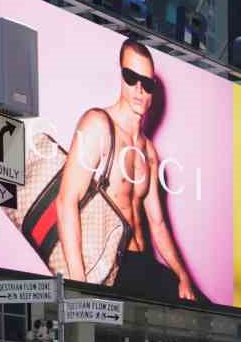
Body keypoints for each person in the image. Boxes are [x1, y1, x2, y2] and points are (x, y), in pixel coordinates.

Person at [45, 39, 200, 301]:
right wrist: (79, 285)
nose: (139, 89)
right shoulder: (98, 125)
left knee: (202, 308)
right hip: (111, 269)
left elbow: (158, 223)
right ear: (121, 77)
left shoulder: (148, 152)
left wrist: (183, 276)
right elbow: (66, 201)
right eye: (131, 77)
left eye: (147, 83)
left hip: (142, 264)